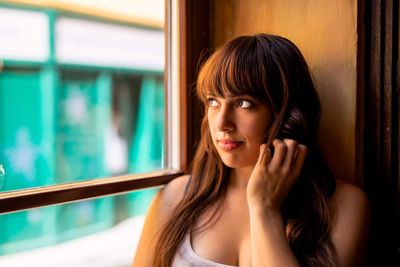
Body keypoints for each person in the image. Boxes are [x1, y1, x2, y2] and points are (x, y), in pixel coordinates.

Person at [132, 33, 369, 267]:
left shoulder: (344, 206)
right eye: (213, 101)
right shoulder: (176, 198)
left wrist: (264, 209)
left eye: (243, 103)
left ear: (286, 116)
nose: (222, 123)